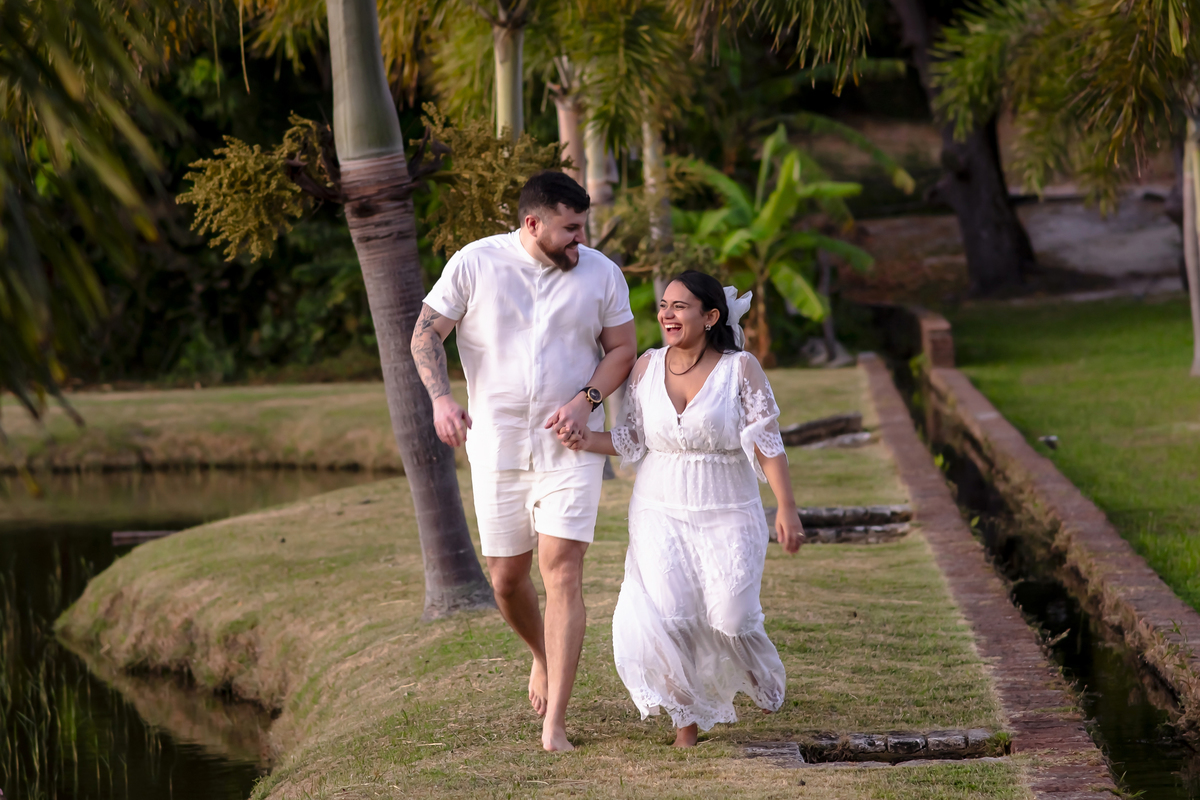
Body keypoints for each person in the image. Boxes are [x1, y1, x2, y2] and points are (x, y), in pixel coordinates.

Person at [410, 171, 637, 752]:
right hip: (498, 446)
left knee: (561, 569)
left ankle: (555, 722)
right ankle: (541, 653)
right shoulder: (474, 264)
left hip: (571, 446)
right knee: (508, 580)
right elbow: (424, 335)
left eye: (582, 228)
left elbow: (622, 350)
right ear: (532, 223)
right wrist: (441, 400)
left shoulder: (601, 273)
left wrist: (587, 402)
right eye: (569, 229)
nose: (579, 241)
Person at [560, 270, 805, 747]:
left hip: (729, 507)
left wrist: (787, 508)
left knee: (730, 617)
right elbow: (632, 439)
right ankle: (685, 724)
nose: (666, 314)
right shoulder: (646, 367)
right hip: (658, 507)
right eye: (663, 305)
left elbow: (767, 443)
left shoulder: (741, 369)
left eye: (680, 306)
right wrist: (585, 439)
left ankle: (751, 661)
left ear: (710, 316)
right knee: (670, 617)